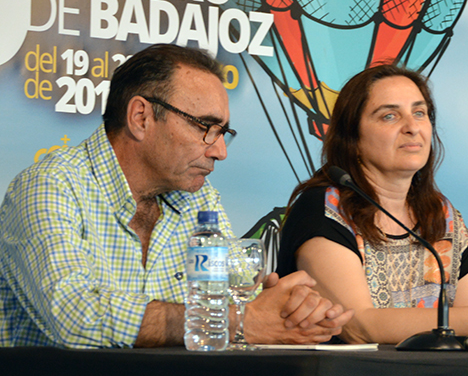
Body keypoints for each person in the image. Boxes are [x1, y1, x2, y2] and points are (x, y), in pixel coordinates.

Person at [0, 44, 350, 348]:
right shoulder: (50, 185)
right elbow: (74, 317)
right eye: (204, 127)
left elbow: (245, 297)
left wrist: (289, 310)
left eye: (223, 132)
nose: (219, 151)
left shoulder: (199, 199)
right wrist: (237, 322)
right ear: (141, 117)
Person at [277, 65, 468, 345]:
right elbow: (359, 326)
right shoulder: (324, 208)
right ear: (353, 139)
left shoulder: (440, 214)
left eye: (419, 113)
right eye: (389, 116)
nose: (412, 127)